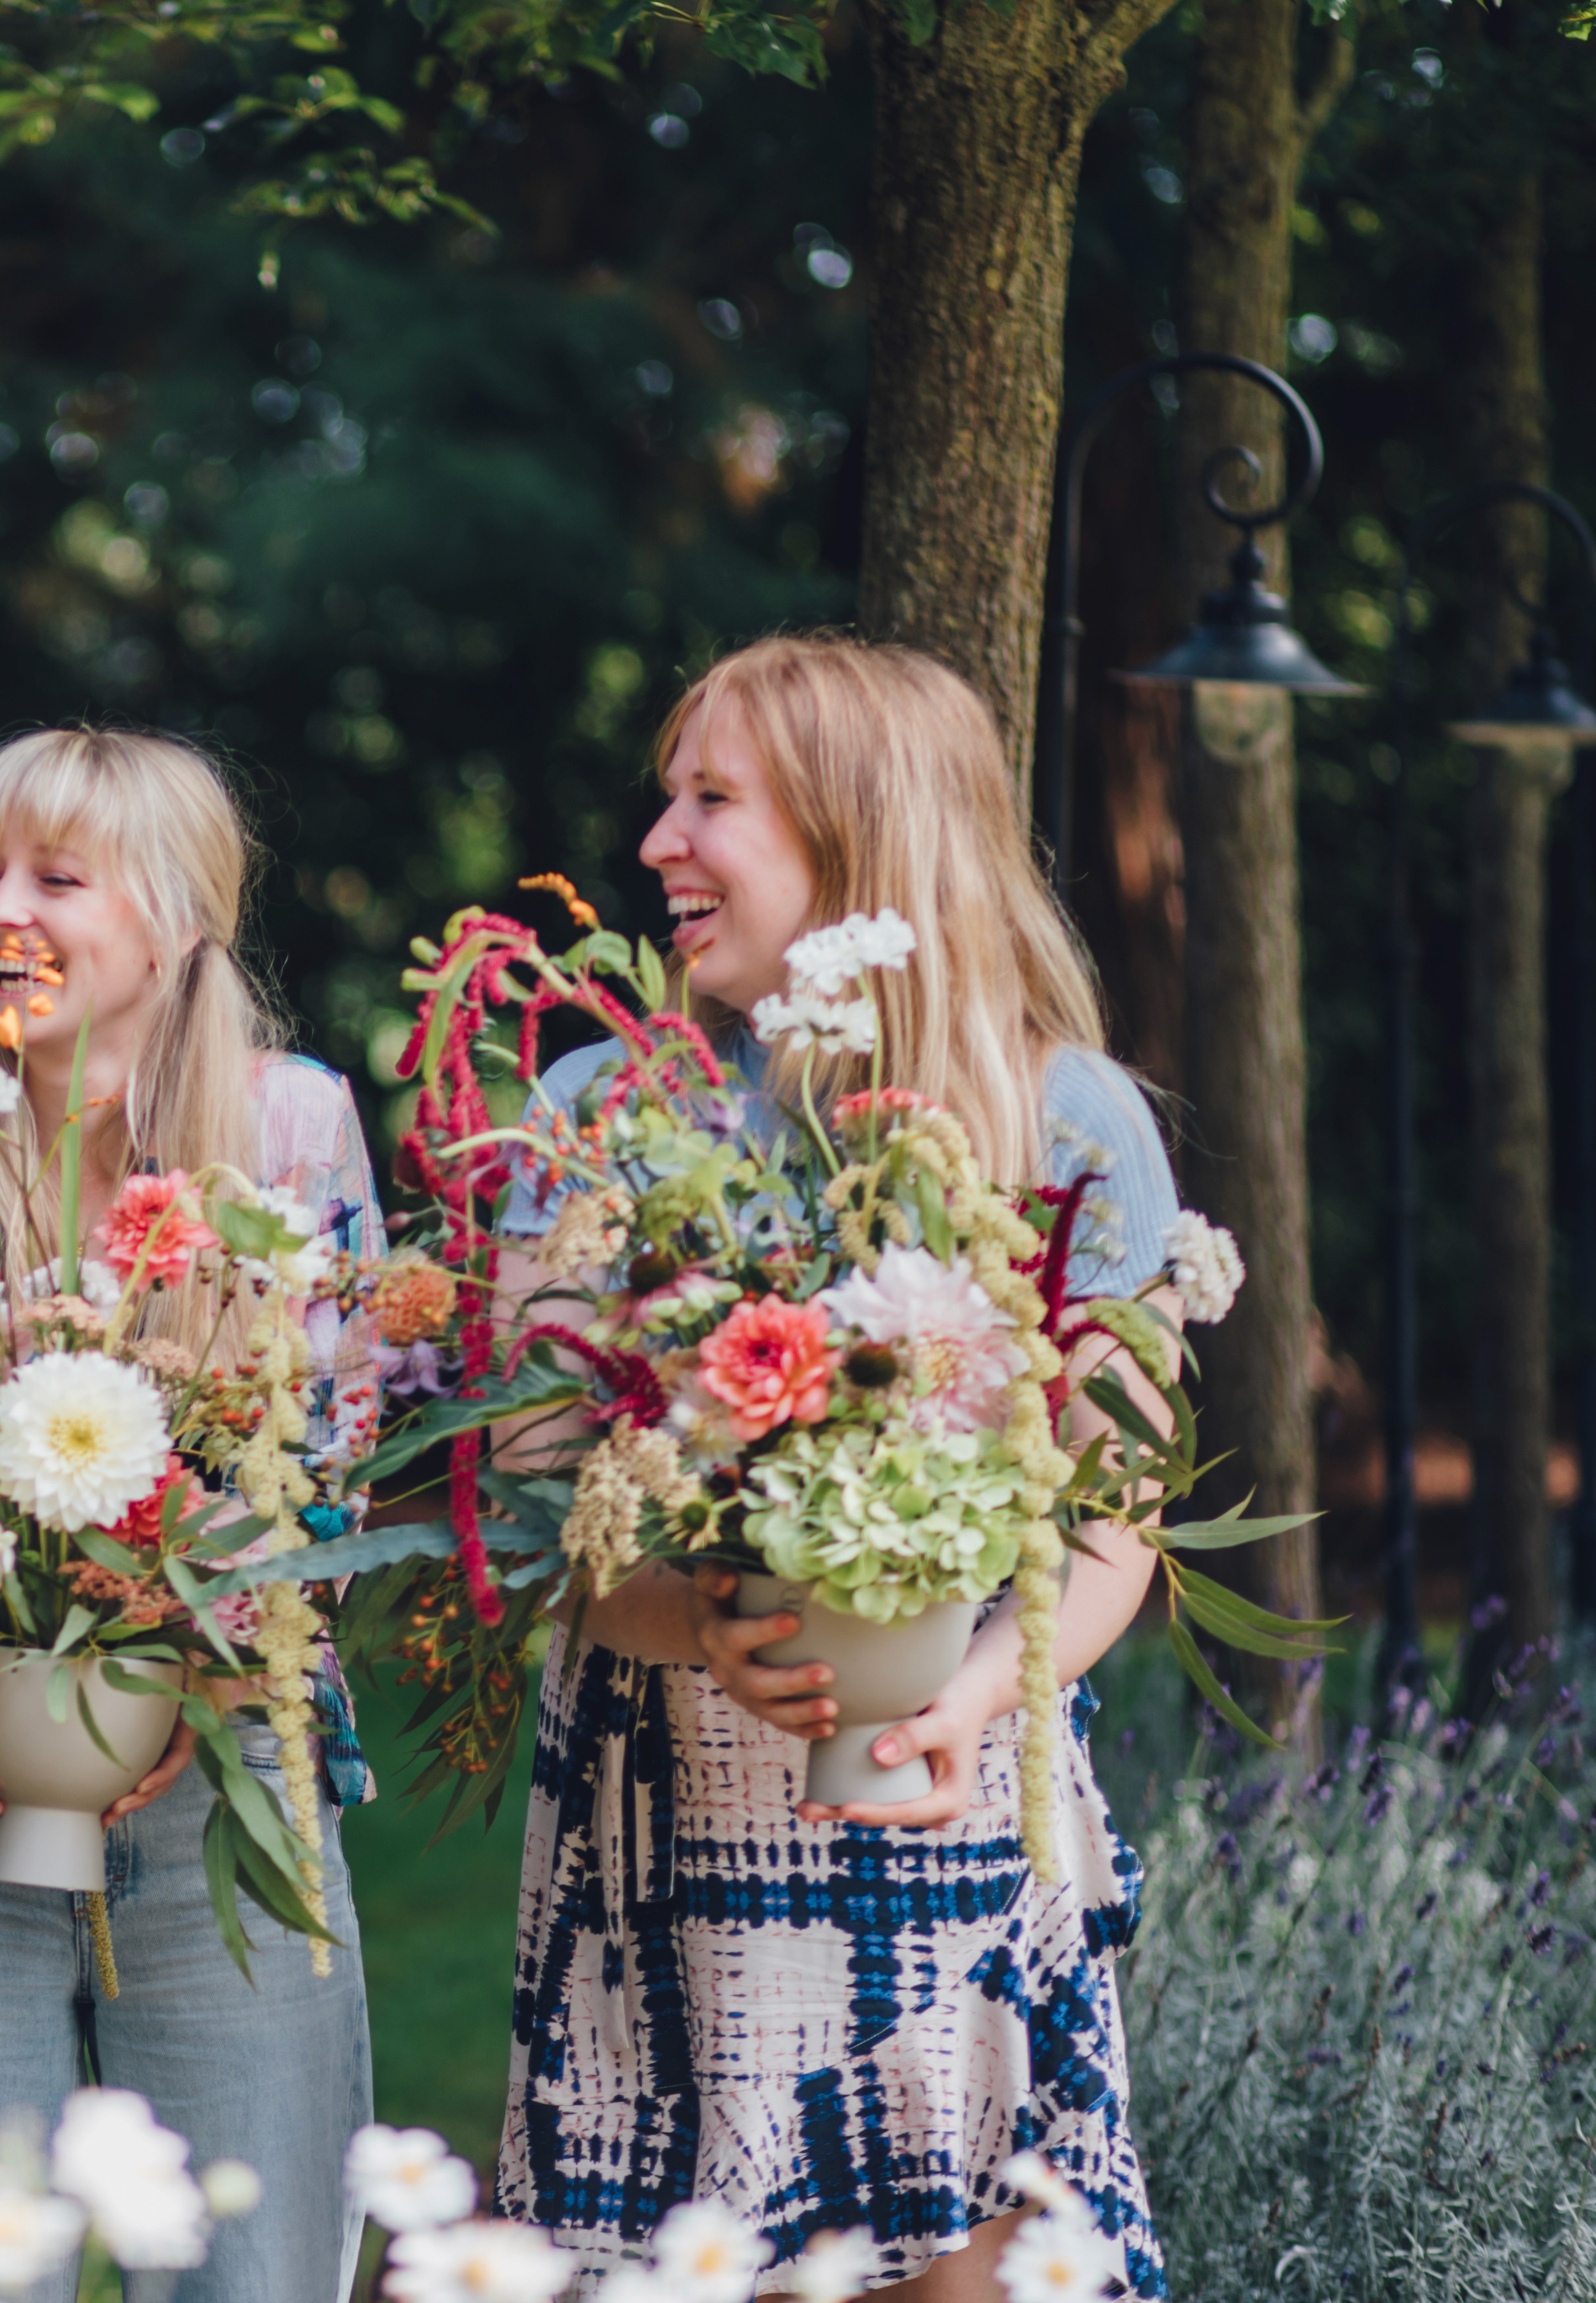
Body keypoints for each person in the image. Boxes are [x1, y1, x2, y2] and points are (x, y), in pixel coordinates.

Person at [493, 635, 1186, 2300]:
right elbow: (533, 1495)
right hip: (663, 1813)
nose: (658, 840)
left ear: (859, 833)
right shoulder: (601, 1109)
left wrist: (982, 1696)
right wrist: (689, 1614)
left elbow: (1122, 1517)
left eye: (711, 798)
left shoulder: (1065, 1117)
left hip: (961, 1786)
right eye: (670, 795)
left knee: (982, 2264)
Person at [0, 727, 383, 2302]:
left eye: (60, 876)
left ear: (177, 918)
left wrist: (169, 1676)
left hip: (230, 1801)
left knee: (251, 2269)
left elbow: (333, 1463)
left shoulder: (295, 1130)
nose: (5, 913)